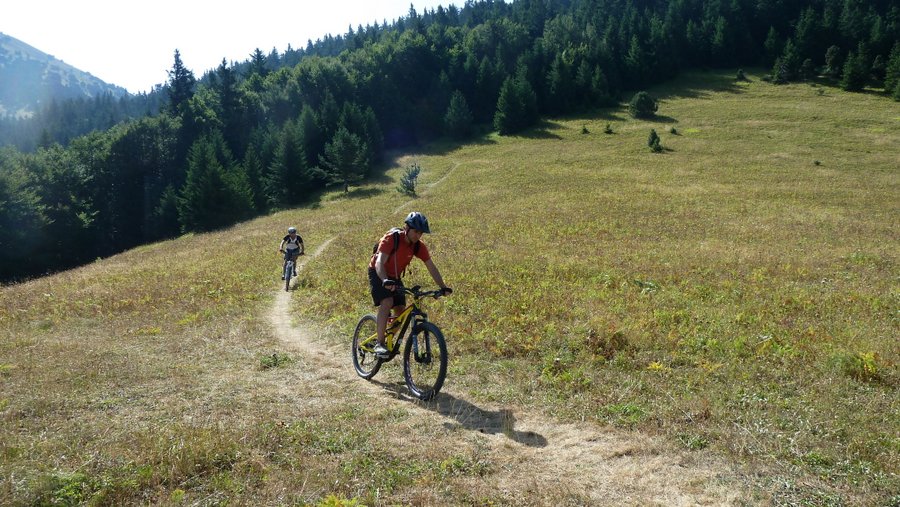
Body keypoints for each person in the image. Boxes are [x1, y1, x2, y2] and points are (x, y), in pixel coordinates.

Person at [368, 211, 451, 358]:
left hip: (394, 276)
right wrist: (384, 280)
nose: (418, 235)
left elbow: (431, 266)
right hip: (378, 272)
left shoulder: (418, 246)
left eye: (421, 233)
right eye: (416, 231)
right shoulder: (392, 239)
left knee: (400, 312)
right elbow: (380, 262)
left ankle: (388, 339)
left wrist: (443, 287)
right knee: (387, 302)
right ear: (406, 228)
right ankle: (379, 344)